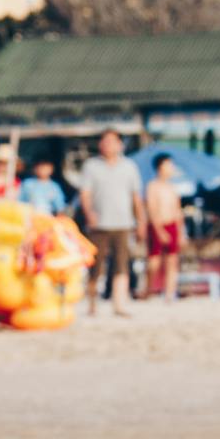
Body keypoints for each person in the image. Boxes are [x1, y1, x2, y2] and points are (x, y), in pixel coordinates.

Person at [76, 130, 144, 316]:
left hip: (123, 223)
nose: (108, 145)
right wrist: (89, 213)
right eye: (105, 141)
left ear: (120, 145)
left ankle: (119, 304)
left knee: (121, 266)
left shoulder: (129, 166)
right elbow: (85, 194)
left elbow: (136, 197)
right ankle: (92, 303)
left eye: (112, 141)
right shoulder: (91, 166)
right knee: (95, 266)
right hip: (99, 224)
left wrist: (141, 222)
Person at [143, 155, 185, 301]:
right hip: (157, 225)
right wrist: (159, 230)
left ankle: (169, 293)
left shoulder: (172, 187)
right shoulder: (152, 186)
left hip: (172, 224)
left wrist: (180, 232)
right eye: (168, 165)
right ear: (160, 167)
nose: (171, 168)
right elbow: (152, 210)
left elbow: (177, 210)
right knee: (154, 261)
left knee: (172, 260)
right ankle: (148, 289)